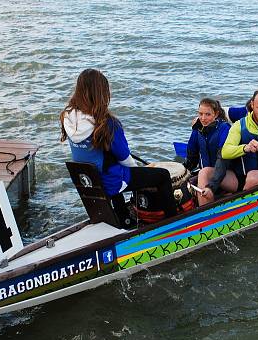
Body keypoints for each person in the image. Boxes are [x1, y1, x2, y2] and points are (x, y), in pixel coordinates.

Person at [60, 69, 176, 225]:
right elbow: (124, 156)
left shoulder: (67, 117)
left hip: (89, 182)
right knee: (162, 176)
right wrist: (140, 170)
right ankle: (174, 222)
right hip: (110, 181)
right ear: (101, 93)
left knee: (111, 166)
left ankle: (123, 217)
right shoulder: (106, 123)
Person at [184, 98, 237, 205]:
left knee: (203, 172)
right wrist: (181, 174)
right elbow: (191, 159)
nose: (203, 118)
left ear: (216, 114)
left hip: (229, 177)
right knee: (183, 183)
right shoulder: (197, 129)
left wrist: (211, 186)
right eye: (200, 114)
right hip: (209, 177)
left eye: (207, 114)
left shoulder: (224, 129)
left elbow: (223, 160)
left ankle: (205, 215)